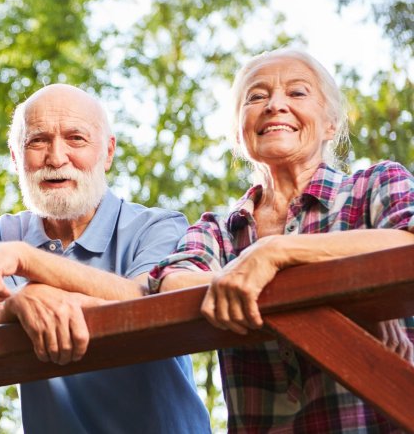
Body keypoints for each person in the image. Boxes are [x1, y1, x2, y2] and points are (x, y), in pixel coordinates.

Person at [149, 48, 414, 432]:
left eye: (297, 92)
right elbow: (174, 284)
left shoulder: (376, 184)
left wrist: (277, 252)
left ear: (330, 123)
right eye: (256, 97)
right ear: (238, 133)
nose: (275, 105)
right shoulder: (218, 230)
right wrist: (351, 293)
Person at [0, 84, 210, 433]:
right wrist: (15, 304)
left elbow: (152, 303)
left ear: (107, 152)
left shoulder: (158, 226)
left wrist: (28, 262)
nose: (56, 158)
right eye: (38, 141)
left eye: (76, 139)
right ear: (15, 157)